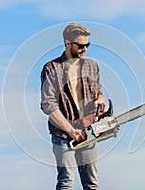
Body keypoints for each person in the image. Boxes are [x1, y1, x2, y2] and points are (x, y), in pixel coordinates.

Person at [40, 23, 105, 190]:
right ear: (68, 43)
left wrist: (99, 99)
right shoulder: (51, 68)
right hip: (62, 134)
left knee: (92, 183)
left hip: (88, 131)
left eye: (87, 45)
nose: (85, 49)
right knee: (66, 182)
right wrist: (70, 130)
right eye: (81, 45)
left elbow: (98, 91)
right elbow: (48, 105)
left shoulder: (92, 66)